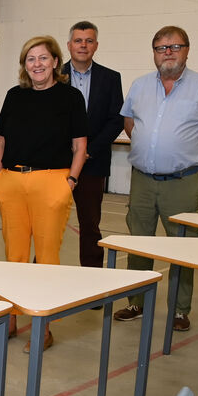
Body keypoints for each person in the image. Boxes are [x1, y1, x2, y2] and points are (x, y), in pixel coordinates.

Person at [115, 25, 198, 332]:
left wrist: (190, 157)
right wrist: (151, 154)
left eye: (174, 47)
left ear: (187, 50)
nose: (167, 53)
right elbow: (130, 124)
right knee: (138, 241)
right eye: (160, 48)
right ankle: (135, 301)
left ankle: (180, 310)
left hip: (182, 183)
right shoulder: (140, 86)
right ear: (153, 53)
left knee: (183, 245)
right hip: (141, 180)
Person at [0, 36, 87, 350]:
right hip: (13, 181)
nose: (37, 64)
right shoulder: (14, 96)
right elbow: (1, 141)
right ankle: (11, 320)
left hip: (52, 182)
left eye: (43, 58)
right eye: (30, 59)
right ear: (24, 65)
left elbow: (80, 145)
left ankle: (43, 327)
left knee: (47, 258)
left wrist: (70, 182)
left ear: (55, 62)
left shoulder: (70, 97)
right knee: (14, 257)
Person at [61, 21, 124, 269]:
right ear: (69, 45)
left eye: (88, 41)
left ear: (96, 45)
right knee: (50, 224)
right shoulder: (54, 75)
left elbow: (116, 119)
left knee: (90, 226)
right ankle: (40, 277)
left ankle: (92, 282)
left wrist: (88, 151)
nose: (83, 45)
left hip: (93, 164)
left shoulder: (110, 78)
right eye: (78, 40)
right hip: (58, 164)